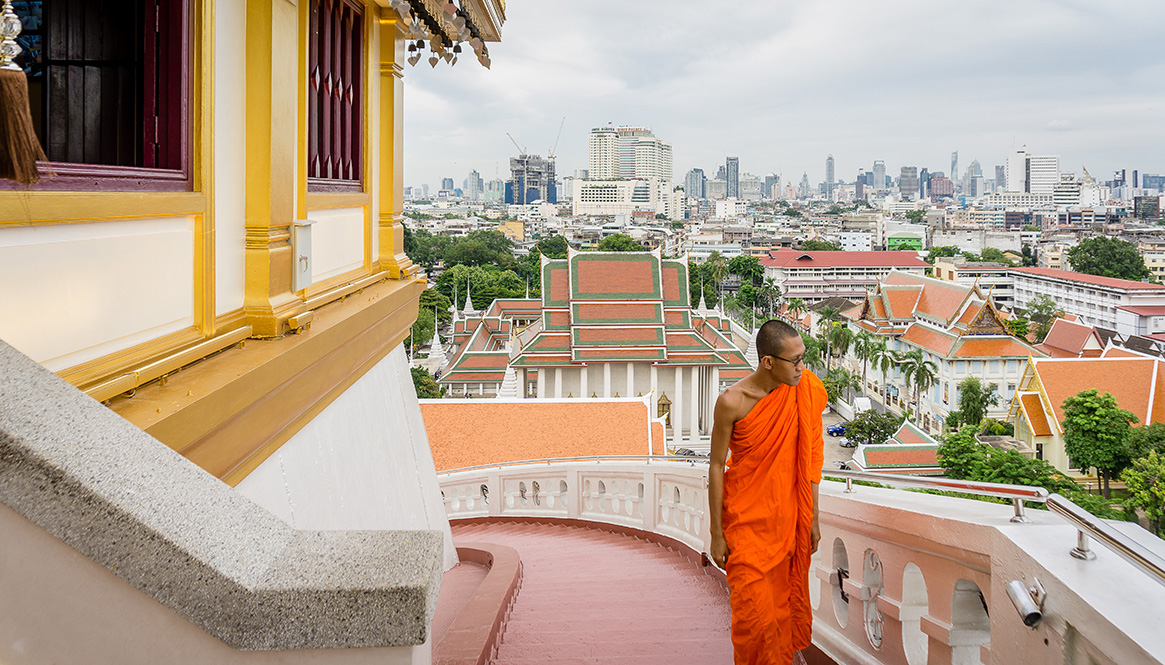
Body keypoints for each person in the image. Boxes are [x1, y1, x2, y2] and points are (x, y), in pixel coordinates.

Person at [708, 319, 827, 665]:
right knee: (754, 622)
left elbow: (812, 457)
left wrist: (813, 518)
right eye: (796, 361)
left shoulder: (804, 391)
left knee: (778, 620)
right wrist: (717, 533)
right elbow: (716, 466)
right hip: (746, 528)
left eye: (804, 358)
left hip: (788, 524)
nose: (802, 368)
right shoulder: (732, 401)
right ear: (768, 362)